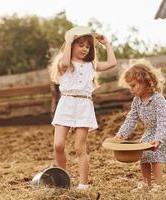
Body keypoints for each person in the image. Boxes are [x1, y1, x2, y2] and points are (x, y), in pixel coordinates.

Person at [49, 26, 117, 190]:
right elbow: (65, 62)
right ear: (71, 45)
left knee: (80, 147)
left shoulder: (92, 64)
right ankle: (62, 180)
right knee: (58, 145)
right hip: (66, 104)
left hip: (84, 106)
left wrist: (107, 44)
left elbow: (113, 63)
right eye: (81, 45)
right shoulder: (65, 63)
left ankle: (83, 184)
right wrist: (68, 40)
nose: (85, 48)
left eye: (88, 46)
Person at [115, 59, 166, 193]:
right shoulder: (137, 100)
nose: (131, 89)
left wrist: (159, 138)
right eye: (130, 86)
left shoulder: (158, 99)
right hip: (150, 131)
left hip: (165, 131)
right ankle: (146, 183)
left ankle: (158, 185)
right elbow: (131, 118)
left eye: (133, 86)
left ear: (146, 83)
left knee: (155, 154)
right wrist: (121, 134)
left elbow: (163, 121)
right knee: (143, 155)